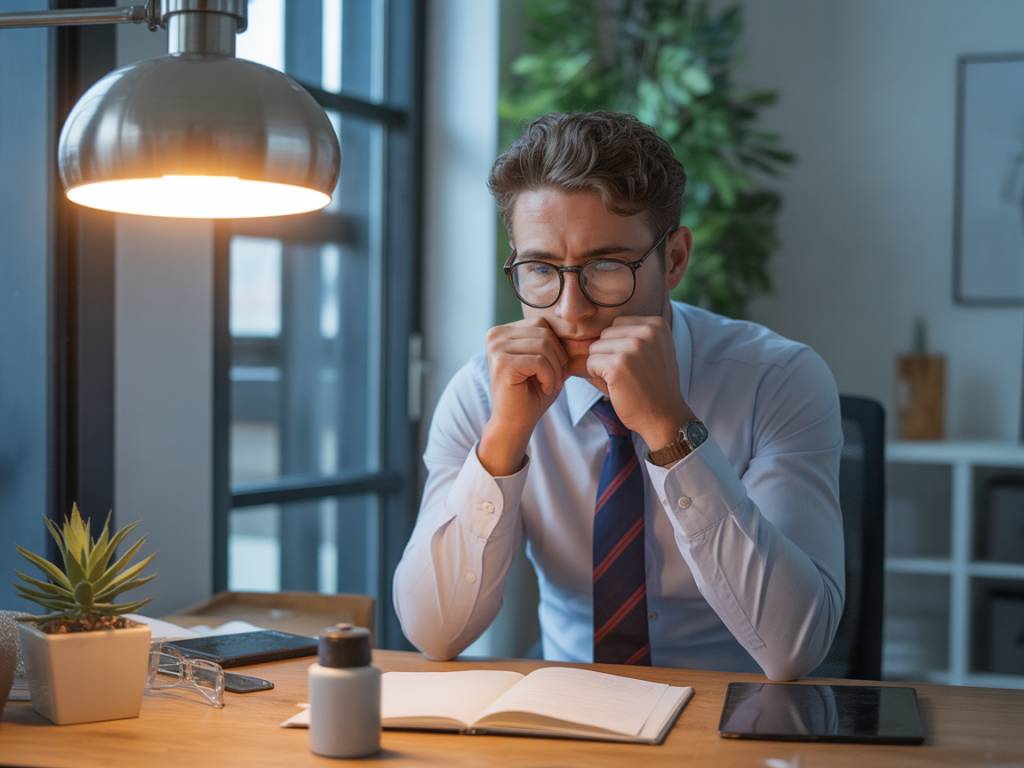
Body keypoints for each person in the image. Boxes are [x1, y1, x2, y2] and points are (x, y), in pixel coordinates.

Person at [393, 111, 844, 680]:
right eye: (540, 269)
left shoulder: (778, 380)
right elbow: (433, 632)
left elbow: (794, 651)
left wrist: (670, 431)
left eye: (605, 265)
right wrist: (503, 441)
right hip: (568, 717)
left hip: (740, 714)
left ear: (674, 259)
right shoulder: (483, 394)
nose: (570, 310)